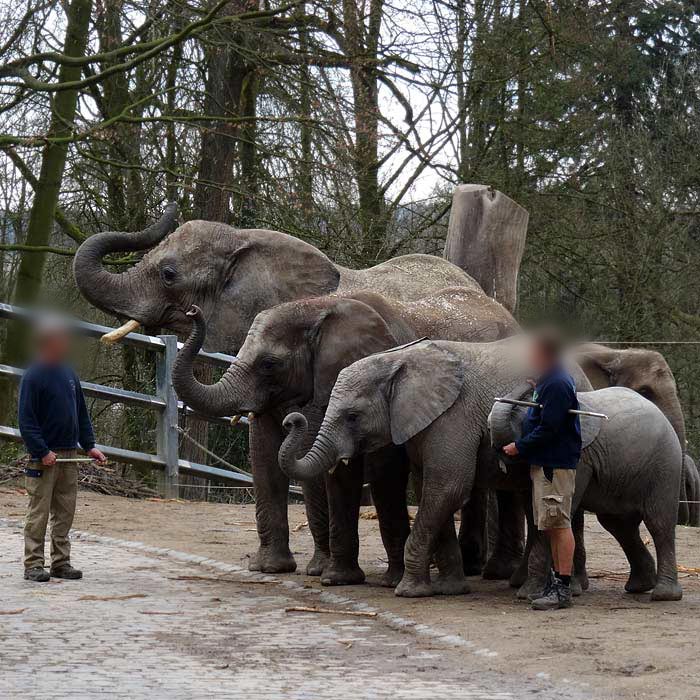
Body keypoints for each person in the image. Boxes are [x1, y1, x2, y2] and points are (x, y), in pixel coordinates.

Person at [17, 317, 106, 582]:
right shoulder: (33, 376)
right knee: (39, 512)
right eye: (61, 338)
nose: (66, 343)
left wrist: (90, 446)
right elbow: (26, 420)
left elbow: (81, 413)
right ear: (49, 341)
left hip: (68, 456)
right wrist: (42, 451)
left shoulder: (69, 374)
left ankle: (61, 562)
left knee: (65, 511)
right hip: (44, 459)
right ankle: (33, 563)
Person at [502, 330, 582, 610]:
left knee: (559, 525)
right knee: (551, 525)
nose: (530, 356)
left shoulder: (558, 383)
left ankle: (562, 587)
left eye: (534, 352)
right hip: (547, 464)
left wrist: (520, 447)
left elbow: (550, 428)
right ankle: (556, 582)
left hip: (554, 465)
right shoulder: (551, 381)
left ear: (545, 354)